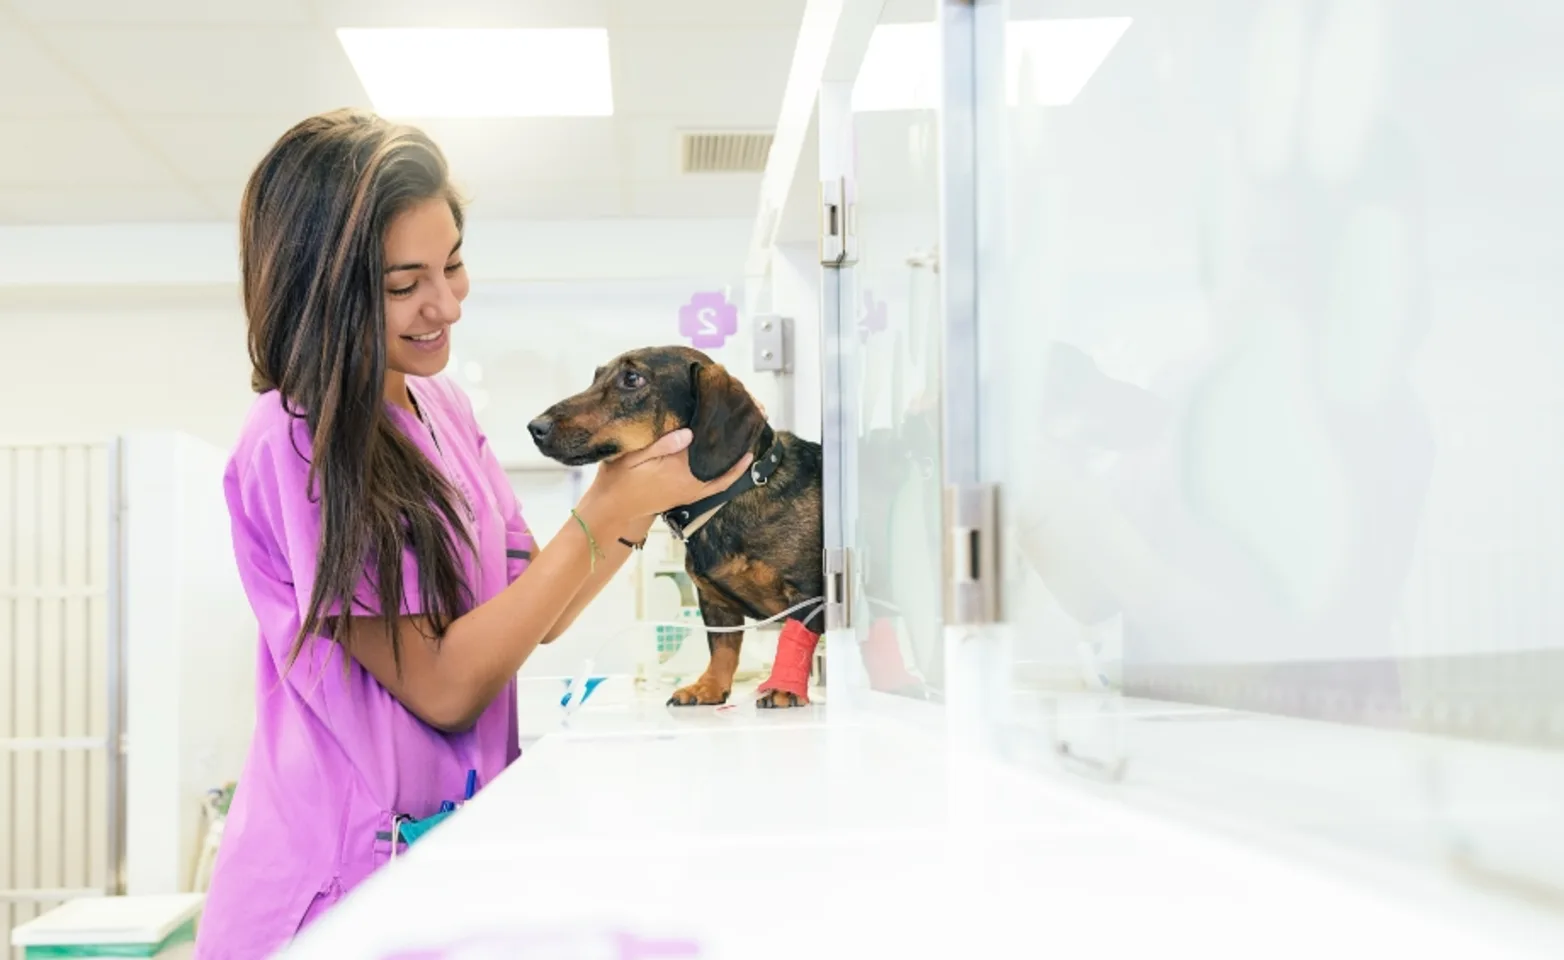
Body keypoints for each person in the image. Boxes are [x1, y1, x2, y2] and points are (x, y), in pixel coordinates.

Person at [194, 109, 751, 959]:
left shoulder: (443, 409)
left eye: (453, 264)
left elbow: (539, 608)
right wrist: (605, 509)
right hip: (337, 886)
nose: (445, 303)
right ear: (324, 289)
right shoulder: (295, 438)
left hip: (440, 859)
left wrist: (639, 501)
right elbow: (445, 685)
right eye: (402, 283)